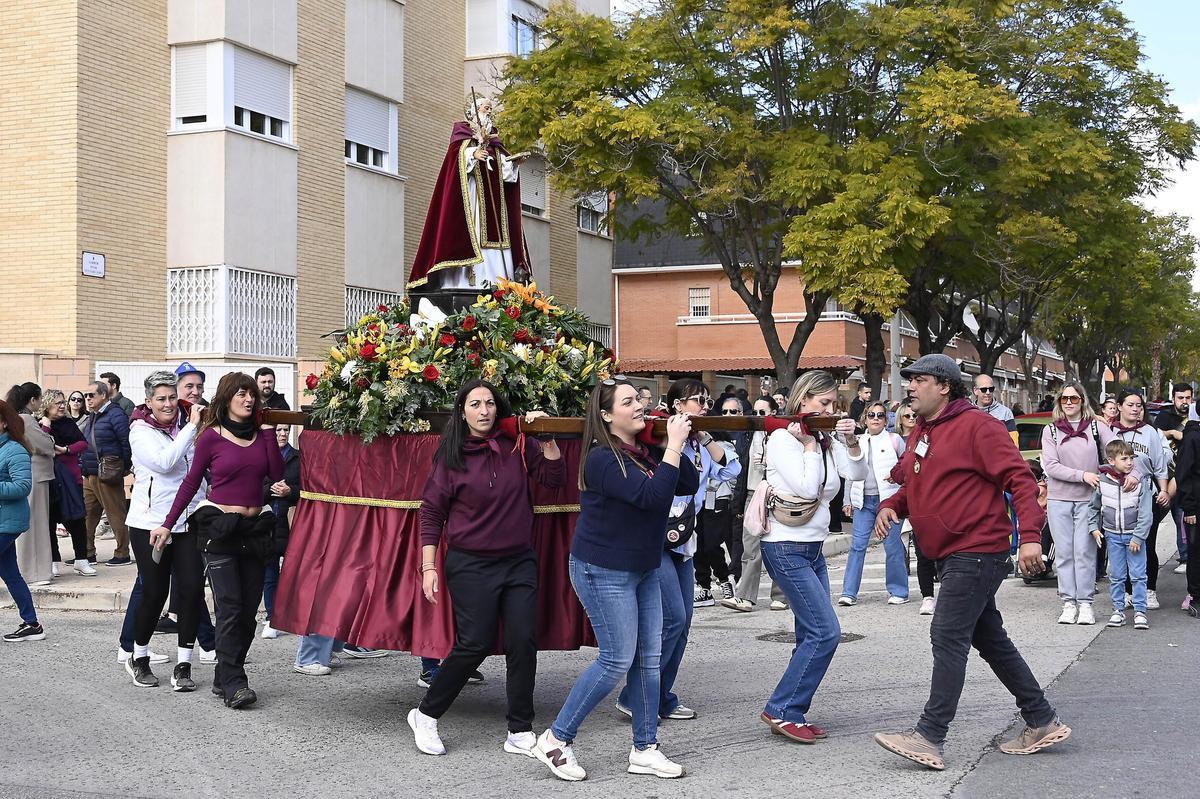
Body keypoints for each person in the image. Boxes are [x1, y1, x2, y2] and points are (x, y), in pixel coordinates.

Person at [873, 354, 1069, 771]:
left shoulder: (979, 426)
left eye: (918, 380)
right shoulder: (922, 431)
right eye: (908, 380)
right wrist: (893, 504)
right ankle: (1041, 718)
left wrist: (1031, 538)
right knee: (989, 638)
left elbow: (1021, 479)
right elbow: (916, 484)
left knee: (946, 634)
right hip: (949, 552)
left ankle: (929, 736)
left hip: (977, 549)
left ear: (944, 385)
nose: (909, 387)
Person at [532, 377, 697, 781]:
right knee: (616, 659)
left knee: (648, 658)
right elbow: (653, 497)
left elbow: (687, 483)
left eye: (640, 398)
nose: (640, 405)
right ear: (607, 416)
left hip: (641, 567)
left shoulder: (643, 450)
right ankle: (556, 738)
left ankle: (645, 748)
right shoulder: (602, 459)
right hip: (602, 569)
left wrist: (666, 440)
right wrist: (673, 445)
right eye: (629, 401)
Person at [407, 380, 564, 757]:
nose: (483, 410)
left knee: (523, 642)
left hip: (519, 561)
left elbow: (554, 480)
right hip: (470, 564)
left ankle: (520, 730)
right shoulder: (451, 456)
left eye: (489, 403)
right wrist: (428, 566)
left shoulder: (518, 446)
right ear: (462, 411)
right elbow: (432, 512)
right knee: (473, 644)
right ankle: (426, 715)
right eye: (475, 404)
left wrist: (548, 440)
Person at [149, 372, 283, 709]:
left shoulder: (260, 434)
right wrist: (168, 524)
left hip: (254, 530)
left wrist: (267, 431)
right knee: (230, 608)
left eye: (252, 394)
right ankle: (236, 682)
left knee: (249, 614)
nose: (249, 399)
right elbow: (191, 484)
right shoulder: (210, 436)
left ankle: (225, 674)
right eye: (241, 393)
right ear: (226, 398)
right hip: (219, 530)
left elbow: (277, 474)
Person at [617, 379, 739, 723]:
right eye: (695, 401)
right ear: (675, 405)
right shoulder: (659, 435)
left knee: (684, 623)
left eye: (706, 401)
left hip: (686, 538)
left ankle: (660, 695)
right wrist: (676, 437)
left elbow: (732, 469)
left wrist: (704, 436)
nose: (702, 407)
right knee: (673, 619)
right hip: (657, 537)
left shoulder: (699, 444)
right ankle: (636, 695)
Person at [756, 371, 865, 744]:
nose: (831, 410)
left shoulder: (825, 438)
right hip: (785, 547)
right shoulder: (783, 438)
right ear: (803, 401)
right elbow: (806, 485)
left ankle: (792, 709)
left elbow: (856, 473)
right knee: (826, 632)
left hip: (813, 547)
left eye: (835, 404)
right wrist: (807, 447)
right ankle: (782, 708)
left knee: (810, 633)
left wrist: (849, 442)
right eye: (824, 404)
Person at [122, 371, 208, 691]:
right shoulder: (140, 431)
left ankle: (184, 665)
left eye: (173, 397)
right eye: (161, 399)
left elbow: (198, 469)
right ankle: (139, 656)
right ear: (149, 401)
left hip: (187, 521)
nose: (169, 404)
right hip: (149, 524)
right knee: (155, 592)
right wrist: (191, 427)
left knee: (190, 592)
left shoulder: (188, 425)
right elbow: (165, 463)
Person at [407, 95, 531, 290]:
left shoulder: (495, 145)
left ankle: (497, 283)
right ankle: (468, 281)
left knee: (497, 240)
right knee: (473, 234)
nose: (489, 111)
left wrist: (512, 164)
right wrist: (472, 154)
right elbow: (454, 162)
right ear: (473, 111)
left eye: (490, 108)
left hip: (495, 211)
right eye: (485, 107)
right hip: (471, 202)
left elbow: (505, 177)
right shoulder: (462, 136)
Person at [1040, 382, 1123, 626]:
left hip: (1089, 500)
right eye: (1064, 399)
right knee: (1064, 554)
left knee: (1085, 552)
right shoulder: (1051, 431)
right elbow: (1052, 466)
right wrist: (1083, 475)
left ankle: (1086, 603)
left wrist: (1128, 474)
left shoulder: (1096, 427)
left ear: (1082, 401)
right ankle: (1069, 602)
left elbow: (1118, 451)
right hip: (1059, 500)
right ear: (1059, 403)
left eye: (1074, 398)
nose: (1068, 402)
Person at [839, 401, 908, 606]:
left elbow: (905, 467)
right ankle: (848, 592)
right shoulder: (857, 441)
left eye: (880, 415)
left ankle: (899, 591)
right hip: (863, 502)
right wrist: (847, 500)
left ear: (886, 420)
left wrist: (897, 480)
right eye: (871, 415)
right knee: (857, 546)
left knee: (893, 546)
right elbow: (851, 474)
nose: (875, 418)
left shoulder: (895, 440)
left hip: (888, 501)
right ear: (865, 419)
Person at [722, 396, 787, 612]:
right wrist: (738, 504)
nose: (758, 417)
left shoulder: (781, 434)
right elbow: (740, 469)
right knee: (749, 547)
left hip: (774, 493)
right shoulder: (747, 434)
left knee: (776, 545)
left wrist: (772, 461)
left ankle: (780, 595)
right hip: (751, 493)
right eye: (755, 412)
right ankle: (745, 596)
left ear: (774, 413)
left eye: (763, 412)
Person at [1110, 389, 1170, 611]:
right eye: (1131, 405)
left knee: (1147, 543)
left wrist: (1163, 490)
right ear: (1119, 406)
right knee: (1122, 545)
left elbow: (1159, 466)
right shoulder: (1110, 431)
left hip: (1146, 496)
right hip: (1117, 498)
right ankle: (1126, 591)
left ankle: (1149, 590)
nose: (1136, 409)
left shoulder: (1150, 433)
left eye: (1139, 405)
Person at [1088, 439, 1152, 630]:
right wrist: (1094, 527)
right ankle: (1118, 610)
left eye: (1131, 458)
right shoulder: (1103, 482)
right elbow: (1094, 507)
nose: (1130, 462)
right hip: (1112, 536)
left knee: (1138, 575)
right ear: (1111, 460)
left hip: (1134, 537)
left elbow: (1146, 513)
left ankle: (1140, 611)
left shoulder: (1140, 483)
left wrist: (1139, 537)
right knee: (1116, 575)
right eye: (1124, 458)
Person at [692, 396, 743, 606]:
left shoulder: (718, 442)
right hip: (695, 499)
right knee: (697, 544)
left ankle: (724, 579)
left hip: (718, 498)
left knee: (713, 544)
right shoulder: (688, 440)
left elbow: (731, 470)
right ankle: (703, 586)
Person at [0, 400, 43, 642]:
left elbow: (22, 486)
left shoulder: (14, 449)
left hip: (7, 522)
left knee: (10, 573)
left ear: (5, 422)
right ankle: (32, 623)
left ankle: (32, 623)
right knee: (10, 573)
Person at [38, 390, 94, 577]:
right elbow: (42, 445)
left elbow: (83, 444)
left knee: (77, 520)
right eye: (57, 403)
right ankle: (53, 561)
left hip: (71, 478)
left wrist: (66, 449)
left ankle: (81, 560)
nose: (62, 406)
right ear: (46, 406)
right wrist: (45, 427)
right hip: (50, 479)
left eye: (63, 402)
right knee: (49, 521)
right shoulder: (39, 425)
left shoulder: (68, 423)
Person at [80, 380, 132, 566]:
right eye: (86, 396)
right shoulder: (93, 415)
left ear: (103, 395)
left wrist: (123, 467)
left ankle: (122, 553)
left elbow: (126, 443)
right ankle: (87, 552)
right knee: (86, 515)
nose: (87, 399)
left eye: (91, 395)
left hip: (108, 472)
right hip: (90, 472)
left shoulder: (116, 414)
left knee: (115, 513)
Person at [7, 384, 55, 586]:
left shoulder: (17, 418)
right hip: (35, 475)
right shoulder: (26, 420)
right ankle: (35, 572)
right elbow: (45, 445)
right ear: (33, 400)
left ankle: (30, 570)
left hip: (29, 475)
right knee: (36, 524)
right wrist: (48, 431)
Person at [261, 425, 299, 639]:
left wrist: (290, 491)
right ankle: (271, 617)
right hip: (269, 522)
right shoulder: (261, 457)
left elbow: (306, 489)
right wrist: (273, 490)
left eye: (286, 430)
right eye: (278, 430)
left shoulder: (297, 458)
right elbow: (255, 487)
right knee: (270, 573)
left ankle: (293, 615)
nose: (282, 434)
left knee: (293, 572)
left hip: (291, 522)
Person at [1153, 383, 1191, 576]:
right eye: (1180, 398)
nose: (1184, 402)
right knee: (1153, 517)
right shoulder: (1164, 417)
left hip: (1185, 478)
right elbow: (1155, 436)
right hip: (1163, 477)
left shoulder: (1194, 418)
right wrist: (1172, 433)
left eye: (1187, 398)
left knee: (1182, 518)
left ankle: (1185, 557)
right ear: (1173, 398)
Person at [1174, 416, 1200, 617]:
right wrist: (1189, 509)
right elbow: (1183, 474)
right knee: (1196, 552)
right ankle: (1196, 596)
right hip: (1196, 506)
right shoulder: (1192, 437)